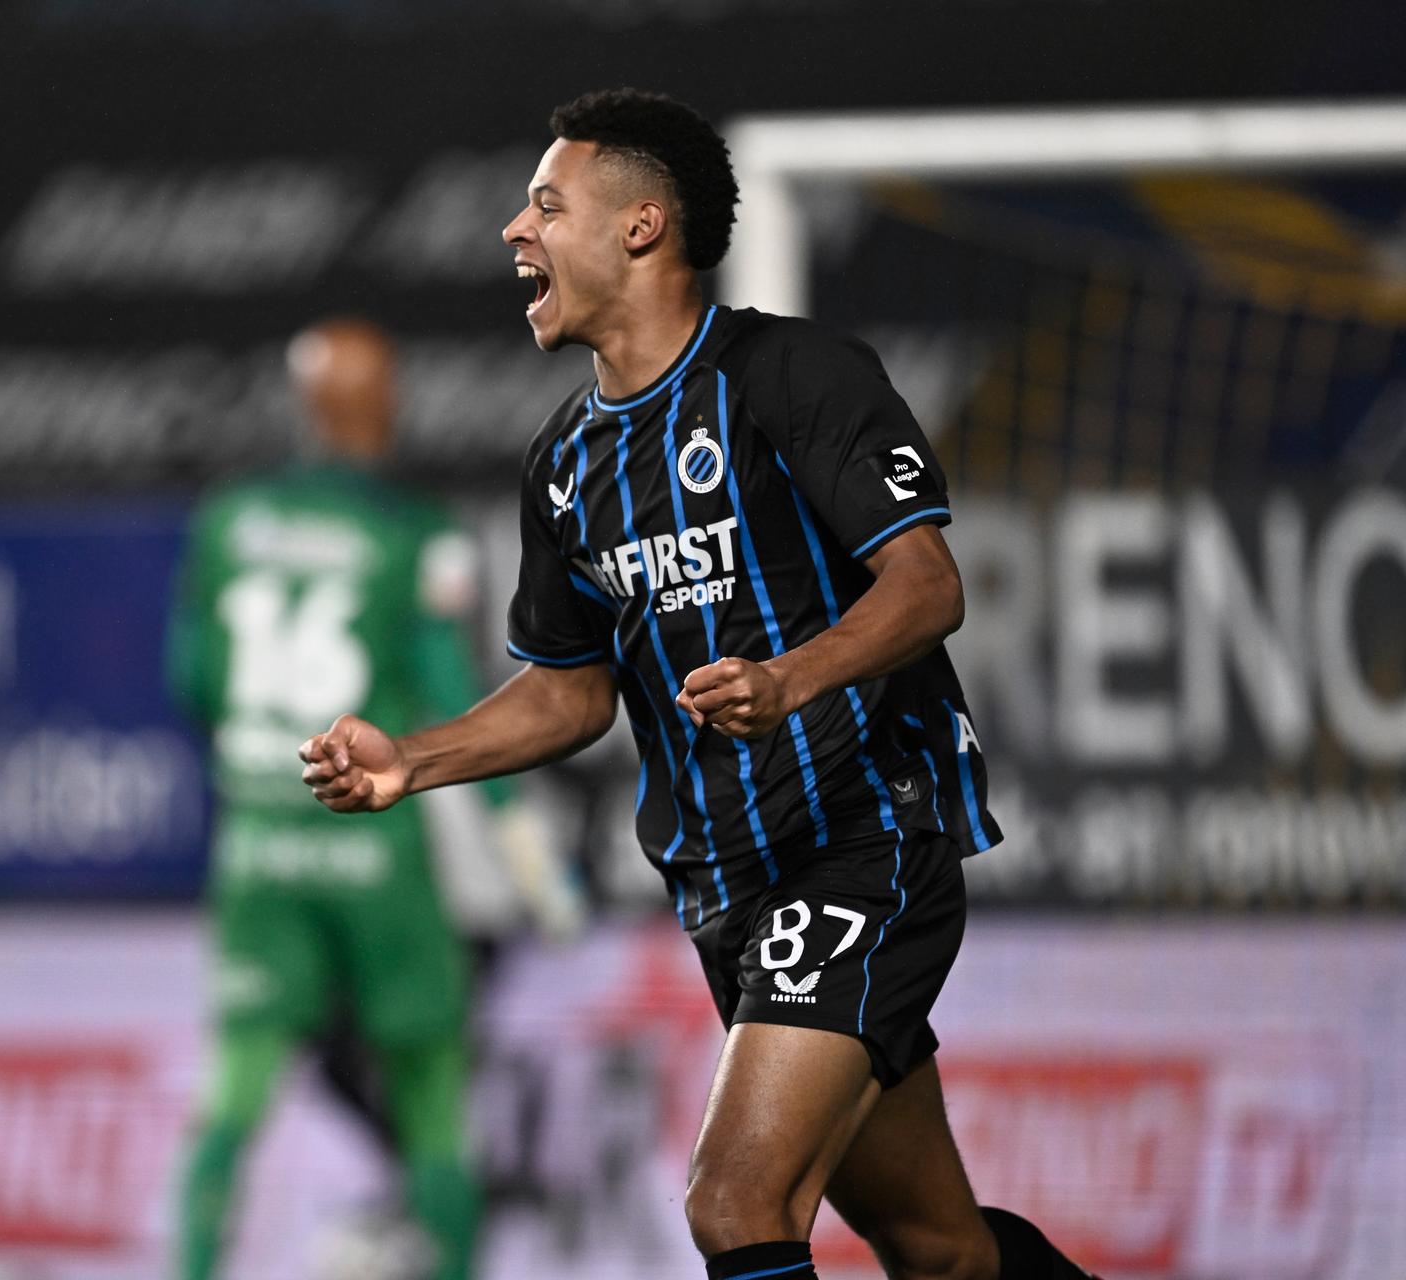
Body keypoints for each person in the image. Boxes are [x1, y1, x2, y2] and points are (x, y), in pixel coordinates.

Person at [300, 90, 1099, 1280]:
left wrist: (790, 677)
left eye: (546, 204)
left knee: (734, 1200)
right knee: (937, 1244)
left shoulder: (794, 374)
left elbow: (929, 584)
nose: (516, 230)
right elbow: (569, 693)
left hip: (862, 838)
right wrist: (413, 758)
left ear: (641, 225)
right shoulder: (564, 463)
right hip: (726, 886)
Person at [167, 317, 571, 1280]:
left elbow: (190, 681)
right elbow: (453, 695)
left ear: (303, 406)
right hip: (376, 852)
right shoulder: (415, 535)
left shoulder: (228, 522)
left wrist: (264, 778)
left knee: (234, 1090)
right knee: (431, 1091)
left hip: (262, 844)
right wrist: (526, 848)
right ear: (386, 405)